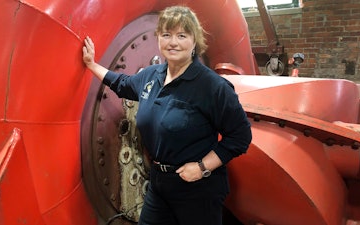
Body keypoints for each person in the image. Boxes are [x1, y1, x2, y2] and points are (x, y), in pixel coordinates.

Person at [82, 5, 252, 225]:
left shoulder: (212, 87)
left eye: (182, 35)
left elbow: (240, 137)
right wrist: (91, 64)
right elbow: (122, 84)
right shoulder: (152, 76)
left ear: (194, 41)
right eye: (166, 35)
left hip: (197, 189)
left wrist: (201, 168)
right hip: (159, 183)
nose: (173, 42)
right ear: (159, 39)